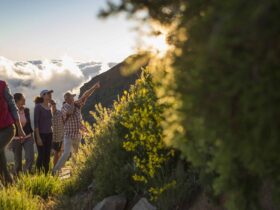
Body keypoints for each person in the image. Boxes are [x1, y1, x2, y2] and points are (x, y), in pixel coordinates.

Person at [52, 82, 100, 175]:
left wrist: (94, 87)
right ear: (67, 99)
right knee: (66, 154)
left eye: (73, 97)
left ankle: (73, 172)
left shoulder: (77, 104)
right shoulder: (64, 107)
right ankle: (55, 171)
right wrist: (75, 103)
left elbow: (85, 95)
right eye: (71, 97)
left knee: (76, 154)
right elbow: (70, 111)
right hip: (68, 135)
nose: (73, 98)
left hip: (77, 135)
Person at [0, 80, 25, 185]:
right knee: (1, 159)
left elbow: (12, 105)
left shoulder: (2, 85)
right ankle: (8, 184)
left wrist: (19, 128)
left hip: (8, 128)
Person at [10, 93, 34, 174]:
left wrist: (32, 136)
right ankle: (19, 178)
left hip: (28, 137)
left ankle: (27, 174)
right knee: (18, 161)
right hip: (16, 138)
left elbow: (29, 124)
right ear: (18, 100)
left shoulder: (26, 110)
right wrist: (8, 141)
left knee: (30, 157)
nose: (25, 99)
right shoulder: (11, 111)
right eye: (23, 98)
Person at [34, 89, 53, 174]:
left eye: (50, 93)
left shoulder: (50, 106)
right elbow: (36, 123)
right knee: (41, 155)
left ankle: (46, 174)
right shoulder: (38, 106)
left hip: (49, 134)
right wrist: (38, 138)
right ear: (43, 96)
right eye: (48, 94)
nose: (50, 95)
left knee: (47, 155)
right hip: (40, 134)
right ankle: (38, 174)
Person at [50, 100, 64, 167]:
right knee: (57, 152)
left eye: (54, 104)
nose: (54, 106)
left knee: (59, 152)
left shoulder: (61, 113)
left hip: (61, 136)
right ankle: (55, 167)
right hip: (55, 137)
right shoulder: (54, 112)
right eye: (53, 105)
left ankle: (58, 167)